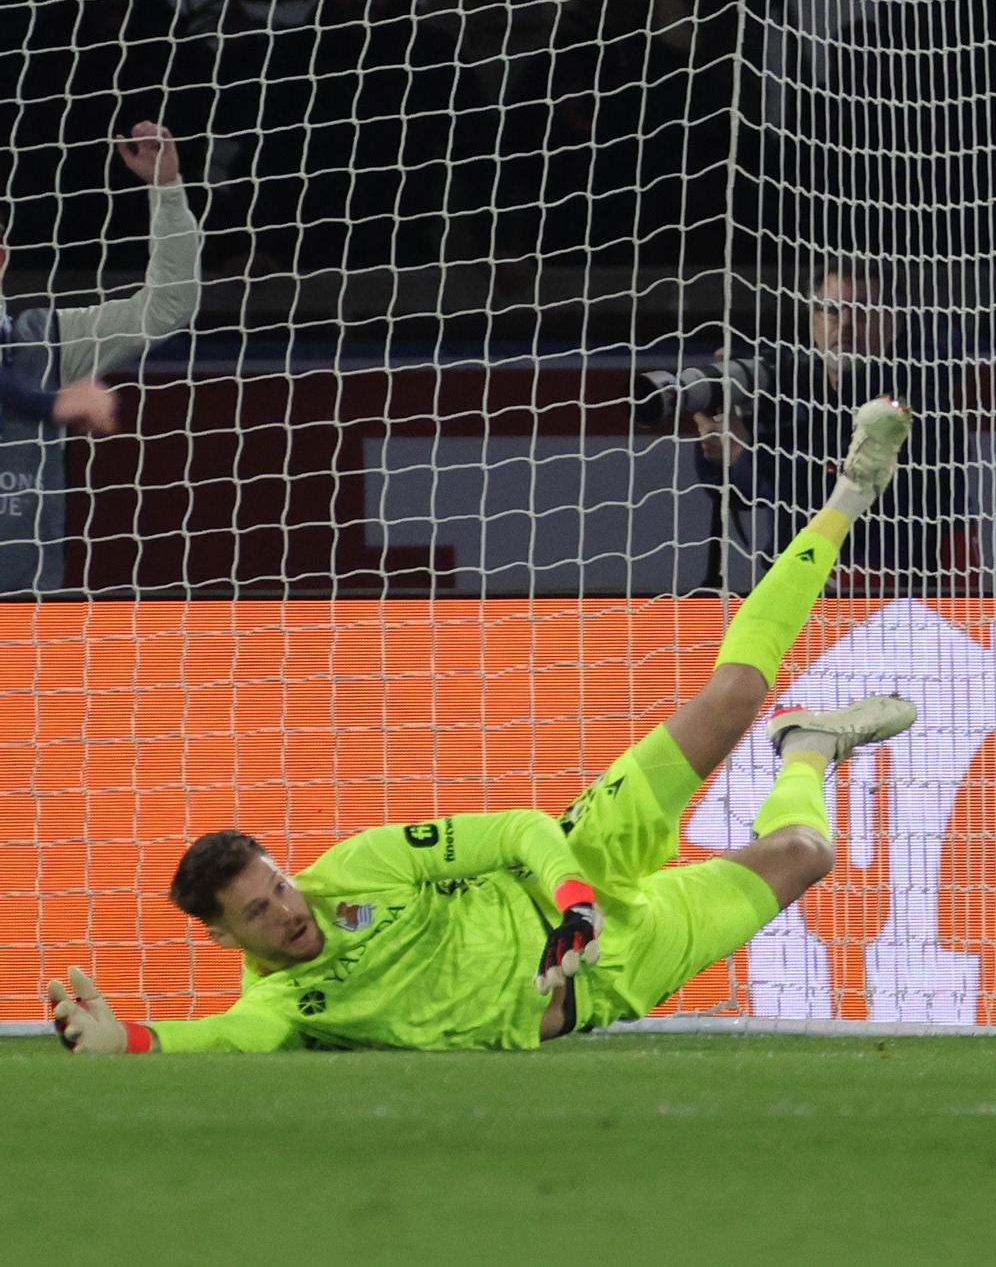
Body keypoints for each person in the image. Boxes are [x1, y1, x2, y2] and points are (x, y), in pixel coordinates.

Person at [47, 398, 918, 1054]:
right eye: (259, 909)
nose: (285, 909)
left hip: (578, 869)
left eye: (276, 885)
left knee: (730, 696)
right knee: (808, 854)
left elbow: (516, 828)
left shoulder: (356, 868)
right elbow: (220, 1039)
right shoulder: (291, 1007)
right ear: (225, 935)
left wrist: (574, 901)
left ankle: (848, 493)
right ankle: (808, 749)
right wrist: (127, 1039)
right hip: (612, 974)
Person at [656, 260, 973, 594]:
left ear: (893, 322)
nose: (846, 326)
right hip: (798, 592)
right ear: (813, 318)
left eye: (863, 312)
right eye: (832, 311)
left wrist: (742, 456)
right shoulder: (795, 389)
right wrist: (716, 448)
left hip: (892, 601)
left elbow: (846, 499)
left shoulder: (920, 403)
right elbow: (741, 494)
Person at [0, 121, 202, 593]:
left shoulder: (46, 338)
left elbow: (167, 308)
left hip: (24, 612)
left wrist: (167, 192)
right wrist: (51, 406)